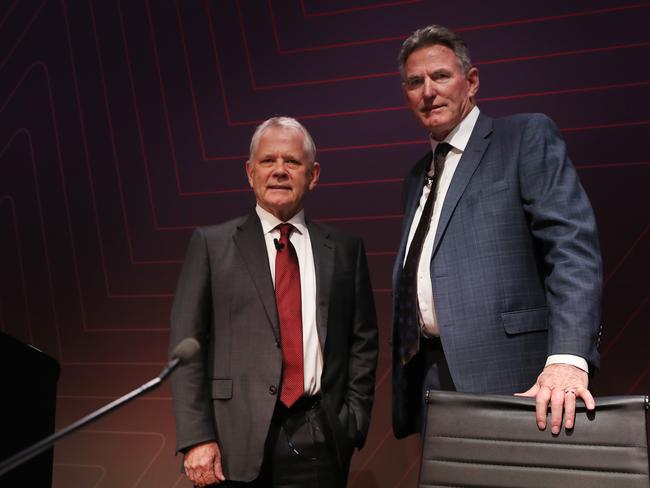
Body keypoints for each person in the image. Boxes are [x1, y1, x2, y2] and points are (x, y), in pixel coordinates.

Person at [391, 25, 602, 440]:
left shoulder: (523, 136)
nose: (428, 91)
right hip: (433, 379)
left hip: (521, 377)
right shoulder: (415, 177)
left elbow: (572, 249)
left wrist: (568, 358)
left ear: (471, 82)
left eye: (440, 76)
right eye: (415, 82)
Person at [169, 116, 378, 487]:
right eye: (268, 161)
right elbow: (187, 350)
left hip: (321, 436)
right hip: (232, 443)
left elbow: (363, 341)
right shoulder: (211, 245)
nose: (279, 171)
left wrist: (353, 422)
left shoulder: (345, 249)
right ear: (250, 173)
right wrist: (196, 437)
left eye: (292, 162)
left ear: (313, 174)